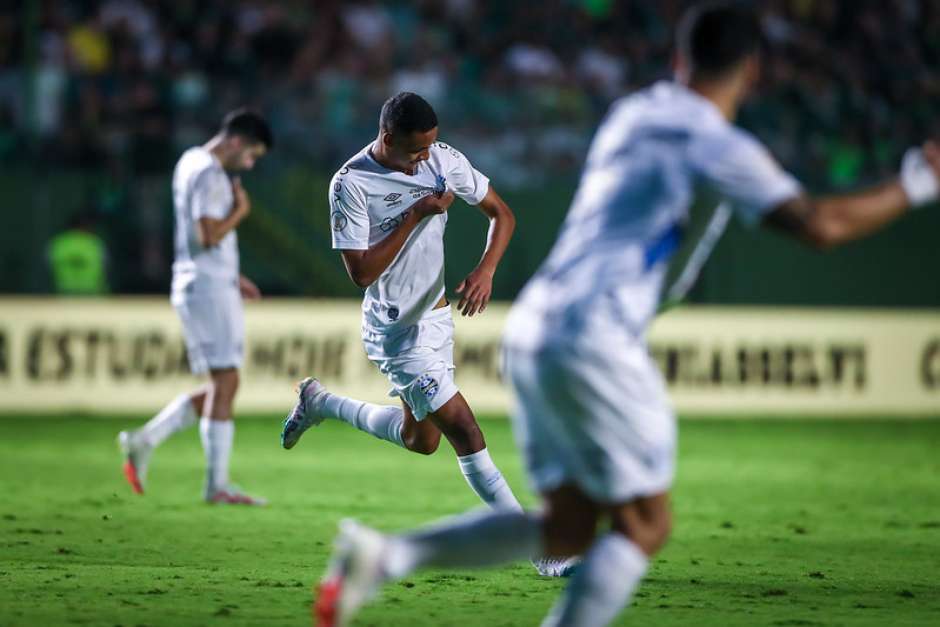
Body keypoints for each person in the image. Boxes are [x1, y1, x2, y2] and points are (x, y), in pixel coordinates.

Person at [310, 4, 940, 627]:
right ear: (752, 71)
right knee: (643, 521)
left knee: (568, 524)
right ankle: (390, 550)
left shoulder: (631, 116)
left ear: (677, 60)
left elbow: (525, 212)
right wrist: (917, 182)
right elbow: (820, 225)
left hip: (538, 325)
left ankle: (386, 556)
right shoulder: (717, 143)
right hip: (593, 335)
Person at [280, 93, 568, 576]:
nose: (424, 159)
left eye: (430, 147)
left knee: (422, 441)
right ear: (388, 139)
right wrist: (417, 215)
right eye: (415, 150)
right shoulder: (350, 184)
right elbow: (361, 273)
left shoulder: (442, 160)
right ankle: (540, 549)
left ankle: (321, 402)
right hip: (396, 330)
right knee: (466, 432)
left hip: (437, 322)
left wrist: (485, 270)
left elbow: (503, 214)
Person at [118, 109, 273, 505]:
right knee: (227, 382)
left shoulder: (190, 159)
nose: (251, 164)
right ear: (235, 141)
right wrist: (240, 213)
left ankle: (145, 439)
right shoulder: (211, 174)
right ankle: (216, 486)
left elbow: (194, 235)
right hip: (206, 287)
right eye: (252, 154)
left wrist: (231, 275)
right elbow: (207, 234)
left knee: (220, 385)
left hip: (204, 281)